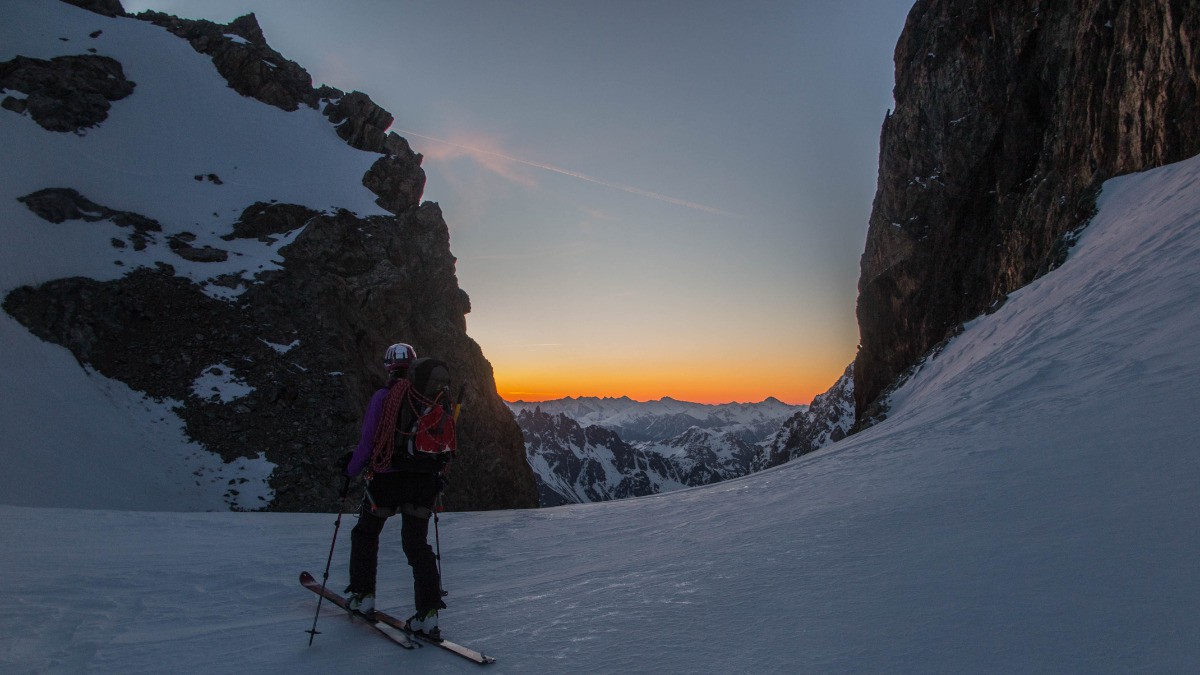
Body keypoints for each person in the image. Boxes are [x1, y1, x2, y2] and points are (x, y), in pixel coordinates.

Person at [343, 342, 448, 639]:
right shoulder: (433, 399)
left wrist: (349, 469)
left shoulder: (382, 397)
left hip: (386, 481)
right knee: (417, 545)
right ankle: (427, 615)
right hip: (424, 482)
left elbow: (367, 445)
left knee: (366, 534)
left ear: (388, 366)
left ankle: (363, 597)